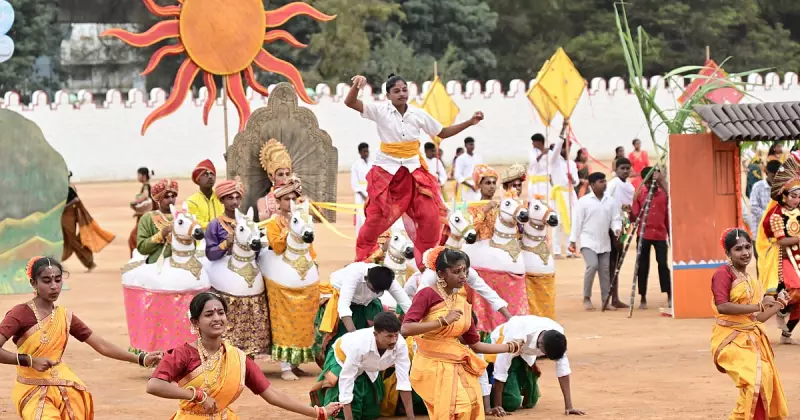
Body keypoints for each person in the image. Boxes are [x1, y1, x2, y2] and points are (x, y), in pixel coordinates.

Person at [345, 74, 483, 270]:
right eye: (396, 91)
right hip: (387, 173)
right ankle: (363, 261)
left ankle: (427, 262)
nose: (402, 94)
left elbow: (442, 133)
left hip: (414, 173)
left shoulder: (418, 114)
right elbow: (350, 102)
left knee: (430, 216)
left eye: (404, 90)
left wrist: (470, 122)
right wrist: (356, 86)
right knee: (376, 219)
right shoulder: (379, 111)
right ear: (388, 95)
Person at [0, 257, 163, 418]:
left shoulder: (64, 316)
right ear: (33, 283)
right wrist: (29, 360)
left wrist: (141, 358)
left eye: (58, 280)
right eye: (46, 281)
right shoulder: (19, 314)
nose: (54, 286)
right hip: (31, 390)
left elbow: (101, 345)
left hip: (64, 387)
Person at [147, 292, 343, 419]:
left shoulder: (238, 358)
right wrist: (196, 395)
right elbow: (154, 385)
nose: (217, 318)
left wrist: (319, 412)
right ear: (196, 322)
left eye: (221, 313)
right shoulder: (183, 354)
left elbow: (272, 394)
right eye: (209, 314)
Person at [400, 247, 521, 420]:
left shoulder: (462, 304)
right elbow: (406, 328)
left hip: (455, 362)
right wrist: (442, 321)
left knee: (472, 403)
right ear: (441, 274)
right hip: (431, 364)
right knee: (459, 407)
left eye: (464, 270)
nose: (463, 275)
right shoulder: (427, 293)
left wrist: (510, 347)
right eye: (457, 272)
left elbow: (475, 344)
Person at [711, 228, 789, 420]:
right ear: (728, 253)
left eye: (747, 247)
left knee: (764, 380)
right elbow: (722, 306)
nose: (745, 252)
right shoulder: (723, 274)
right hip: (729, 339)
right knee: (755, 380)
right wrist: (759, 304)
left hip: (751, 337)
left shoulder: (752, 280)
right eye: (738, 249)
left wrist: (780, 303)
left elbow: (757, 318)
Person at [263, 177, 319, 380]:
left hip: (302, 272)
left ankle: (296, 363)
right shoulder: (273, 222)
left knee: (304, 319)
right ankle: (285, 366)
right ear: (278, 202)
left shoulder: (302, 217)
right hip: (279, 273)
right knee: (283, 318)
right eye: (286, 199)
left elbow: (311, 250)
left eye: (293, 198)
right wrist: (289, 232)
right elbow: (277, 247)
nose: (290, 202)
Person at [311, 312, 413, 420]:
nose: (394, 340)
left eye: (396, 335)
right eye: (389, 336)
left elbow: (404, 381)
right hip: (342, 357)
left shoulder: (400, 344)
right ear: (375, 335)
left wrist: (411, 418)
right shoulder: (358, 346)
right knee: (340, 413)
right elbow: (347, 380)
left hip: (367, 365)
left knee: (371, 413)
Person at [314, 263, 411, 364]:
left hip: (367, 303)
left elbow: (406, 305)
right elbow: (344, 307)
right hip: (339, 299)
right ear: (366, 279)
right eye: (374, 290)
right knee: (340, 338)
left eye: (380, 291)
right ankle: (335, 364)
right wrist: (355, 337)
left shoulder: (388, 280)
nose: (377, 293)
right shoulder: (354, 274)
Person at [488, 315, 584, 415]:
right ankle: (486, 395)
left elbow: (563, 369)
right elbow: (501, 367)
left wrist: (569, 406)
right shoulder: (517, 334)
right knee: (511, 402)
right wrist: (498, 406)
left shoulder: (558, 335)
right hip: (498, 346)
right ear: (540, 344)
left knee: (531, 400)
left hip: (523, 354)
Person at [756, 152, 800, 343]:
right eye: (794, 196)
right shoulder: (775, 214)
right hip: (783, 257)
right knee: (796, 289)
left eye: (799, 196)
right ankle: (781, 309)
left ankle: (787, 332)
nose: (797, 199)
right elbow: (780, 241)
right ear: (784, 196)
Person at [569, 172, 622, 311]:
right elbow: (577, 222)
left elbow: (615, 219)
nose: (604, 184)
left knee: (605, 271)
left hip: (604, 242)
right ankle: (586, 297)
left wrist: (617, 229)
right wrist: (573, 240)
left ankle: (606, 300)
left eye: (605, 181)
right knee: (592, 265)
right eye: (601, 181)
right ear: (592, 185)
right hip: (588, 241)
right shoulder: (584, 202)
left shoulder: (610, 201)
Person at [631, 167, 671, 310]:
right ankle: (642, 297)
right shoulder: (640, 195)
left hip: (660, 234)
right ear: (645, 182)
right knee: (642, 266)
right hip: (643, 235)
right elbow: (634, 216)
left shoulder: (664, 195)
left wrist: (670, 235)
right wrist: (630, 211)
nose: (651, 185)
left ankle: (669, 294)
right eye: (648, 182)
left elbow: (668, 215)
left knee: (663, 265)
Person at [62, 172, 115, 272]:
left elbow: (76, 200)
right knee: (64, 240)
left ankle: (89, 263)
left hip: (68, 217)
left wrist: (63, 207)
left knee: (72, 241)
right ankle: (57, 262)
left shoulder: (68, 188)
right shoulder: (66, 187)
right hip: (65, 217)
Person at [606, 157, 634, 309]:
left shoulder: (630, 187)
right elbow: (606, 203)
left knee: (618, 262)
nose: (625, 171)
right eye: (622, 168)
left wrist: (628, 211)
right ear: (616, 170)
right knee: (612, 262)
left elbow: (629, 209)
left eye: (627, 168)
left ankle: (615, 298)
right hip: (612, 224)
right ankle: (611, 297)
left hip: (624, 224)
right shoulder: (612, 184)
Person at [550, 121, 579, 258]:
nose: (566, 150)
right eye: (564, 147)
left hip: (570, 195)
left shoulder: (572, 164)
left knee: (572, 222)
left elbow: (577, 181)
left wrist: (572, 179)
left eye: (568, 148)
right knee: (558, 223)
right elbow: (556, 149)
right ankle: (556, 251)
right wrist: (562, 130)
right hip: (559, 195)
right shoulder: (554, 161)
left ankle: (569, 250)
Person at [137, 179, 179, 264]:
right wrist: (161, 235)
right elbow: (142, 247)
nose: (171, 199)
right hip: (156, 265)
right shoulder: (147, 218)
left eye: (173, 196)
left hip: (181, 264)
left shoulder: (182, 217)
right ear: (159, 199)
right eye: (166, 197)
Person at [257, 138, 294, 222]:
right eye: (280, 174)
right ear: (271, 177)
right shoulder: (263, 202)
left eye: (287, 174)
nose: (285, 178)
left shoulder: (297, 198)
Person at [185, 159, 223, 229]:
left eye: (212, 173)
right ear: (198, 179)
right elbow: (195, 223)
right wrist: (218, 226)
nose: (210, 177)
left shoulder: (221, 198)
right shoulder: (191, 202)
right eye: (205, 174)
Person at [749, 160, 781, 240]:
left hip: (778, 230)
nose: (776, 179)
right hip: (760, 230)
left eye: (778, 176)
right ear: (767, 173)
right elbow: (754, 207)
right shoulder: (758, 187)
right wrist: (770, 216)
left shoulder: (782, 187)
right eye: (774, 176)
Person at [129, 167, 154, 257]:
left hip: (144, 218)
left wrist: (135, 202)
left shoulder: (146, 186)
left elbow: (145, 196)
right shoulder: (147, 185)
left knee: (134, 238)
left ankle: (136, 258)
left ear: (143, 176)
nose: (137, 177)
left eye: (138, 175)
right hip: (145, 216)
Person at [351, 143, 373, 235]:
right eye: (364, 151)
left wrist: (371, 194)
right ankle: (360, 238)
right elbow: (354, 182)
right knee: (361, 217)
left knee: (371, 217)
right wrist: (363, 196)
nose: (366, 153)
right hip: (361, 195)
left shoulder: (372, 164)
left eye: (367, 151)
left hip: (371, 193)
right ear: (360, 152)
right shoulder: (355, 165)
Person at [455, 137, 484, 203]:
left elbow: (482, 170)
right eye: (470, 144)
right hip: (466, 186)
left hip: (477, 185)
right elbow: (457, 175)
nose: (472, 146)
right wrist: (471, 186)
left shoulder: (478, 157)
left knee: (478, 203)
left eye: (473, 144)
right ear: (465, 145)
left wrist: (480, 183)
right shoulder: (460, 159)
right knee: (467, 205)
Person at [527, 133, 549, 201]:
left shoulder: (549, 152)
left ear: (540, 142)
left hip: (545, 182)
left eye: (534, 141)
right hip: (534, 182)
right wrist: (542, 154)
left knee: (546, 200)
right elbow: (533, 162)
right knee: (535, 201)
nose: (532, 143)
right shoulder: (532, 152)